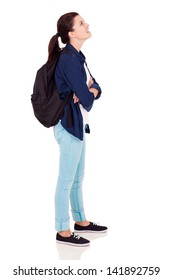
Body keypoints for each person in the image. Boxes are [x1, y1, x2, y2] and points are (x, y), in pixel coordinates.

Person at [48, 12, 107, 247]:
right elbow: (88, 97)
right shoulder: (68, 60)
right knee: (66, 180)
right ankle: (62, 230)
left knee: (77, 178)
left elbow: (96, 88)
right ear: (71, 33)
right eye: (81, 23)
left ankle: (80, 220)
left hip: (78, 125)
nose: (87, 24)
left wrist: (91, 91)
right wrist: (89, 92)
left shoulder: (78, 57)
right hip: (68, 126)